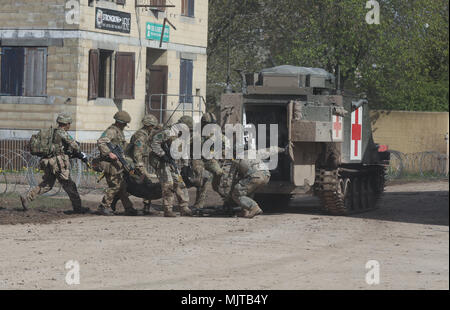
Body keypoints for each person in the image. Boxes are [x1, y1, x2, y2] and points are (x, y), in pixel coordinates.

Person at [20, 114, 90, 214]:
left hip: (47, 161)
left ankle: (27, 198)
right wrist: (79, 150)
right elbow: (74, 145)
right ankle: (78, 209)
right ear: (65, 124)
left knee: (47, 185)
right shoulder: (62, 133)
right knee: (69, 185)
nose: (69, 126)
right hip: (58, 163)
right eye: (69, 124)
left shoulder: (51, 132)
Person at [150, 116, 193, 217]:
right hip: (162, 162)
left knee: (180, 183)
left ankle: (184, 207)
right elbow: (154, 143)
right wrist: (162, 154)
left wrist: (186, 165)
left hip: (172, 162)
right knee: (168, 184)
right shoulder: (167, 132)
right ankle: (168, 209)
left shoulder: (184, 136)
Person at [96, 111, 137, 216]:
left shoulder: (118, 131)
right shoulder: (112, 131)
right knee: (115, 185)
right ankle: (103, 206)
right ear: (119, 122)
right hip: (110, 163)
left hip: (116, 163)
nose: (124, 126)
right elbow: (101, 141)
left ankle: (128, 207)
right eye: (123, 124)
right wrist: (109, 153)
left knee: (121, 186)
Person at [127, 114, 160, 214]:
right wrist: (140, 167)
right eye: (153, 126)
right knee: (145, 183)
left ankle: (146, 208)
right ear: (148, 125)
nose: (153, 128)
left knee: (143, 184)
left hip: (139, 162)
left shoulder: (147, 133)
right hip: (133, 163)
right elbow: (137, 153)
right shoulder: (141, 136)